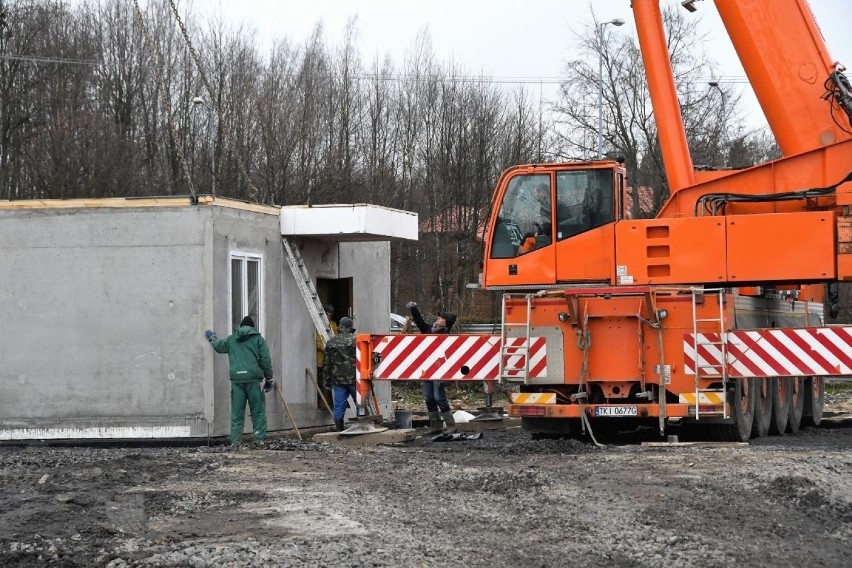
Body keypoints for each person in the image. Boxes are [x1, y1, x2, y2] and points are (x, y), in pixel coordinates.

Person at [205, 316, 274, 447]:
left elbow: (218, 347)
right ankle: (259, 439)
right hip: (254, 379)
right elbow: (266, 360)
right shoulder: (258, 339)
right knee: (257, 410)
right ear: (252, 327)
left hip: (236, 379)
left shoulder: (231, 339)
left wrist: (212, 338)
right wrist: (269, 378)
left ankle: (236, 442)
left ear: (240, 326)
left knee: (237, 412)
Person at [405, 301, 458, 435]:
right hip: (427, 369)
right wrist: (414, 309)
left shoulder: (446, 336)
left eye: (441, 318)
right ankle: (436, 426)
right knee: (429, 397)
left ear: (446, 323)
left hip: (439, 371)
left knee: (439, 397)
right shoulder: (429, 330)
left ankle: (451, 426)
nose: (438, 318)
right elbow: (419, 321)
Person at [323, 316, 357, 431]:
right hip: (354, 379)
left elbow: (326, 364)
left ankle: (340, 432)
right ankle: (363, 428)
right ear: (350, 327)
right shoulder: (356, 340)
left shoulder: (331, 342)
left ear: (340, 327)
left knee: (339, 407)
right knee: (361, 405)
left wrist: (326, 380)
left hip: (338, 380)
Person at [315, 304, 339, 401]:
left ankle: (329, 401)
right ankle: (321, 402)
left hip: (332, 360)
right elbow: (316, 342)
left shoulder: (333, 325)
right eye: (327, 314)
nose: (328, 316)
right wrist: (325, 348)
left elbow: (336, 338)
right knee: (321, 382)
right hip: (321, 359)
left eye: (330, 314)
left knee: (331, 382)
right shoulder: (318, 325)